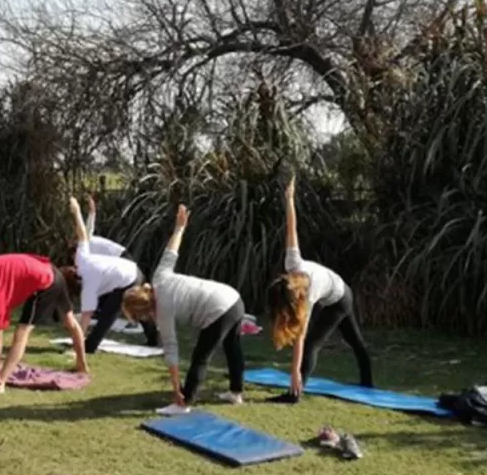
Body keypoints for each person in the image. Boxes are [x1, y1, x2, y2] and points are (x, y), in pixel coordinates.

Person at [0, 172, 88, 397]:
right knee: (70, 321)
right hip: (52, 271)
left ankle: (0, 385)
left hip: (45, 284)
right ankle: (83, 366)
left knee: (22, 333)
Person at [122, 204, 247, 414]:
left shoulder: (163, 311)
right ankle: (236, 393)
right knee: (232, 347)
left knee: (201, 356)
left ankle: (184, 403)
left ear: (142, 310)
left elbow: (171, 352)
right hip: (233, 298)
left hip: (218, 308)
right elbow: (171, 252)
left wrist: (176, 389)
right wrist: (179, 228)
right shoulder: (158, 278)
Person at [267, 176, 373, 403]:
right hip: (339, 290)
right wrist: (289, 199)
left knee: (314, 344)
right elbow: (291, 228)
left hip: (340, 299)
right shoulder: (292, 262)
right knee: (355, 340)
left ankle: (294, 394)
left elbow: (301, 338)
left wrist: (295, 371)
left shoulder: (310, 293)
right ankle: (368, 382)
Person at [64, 197, 158, 353]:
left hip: (129, 275)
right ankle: (154, 336)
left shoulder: (89, 284)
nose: (72, 262)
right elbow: (81, 232)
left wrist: (77, 343)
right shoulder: (82, 258)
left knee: (109, 313)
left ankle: (89, 347)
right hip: (128, 270)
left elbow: (86, 318)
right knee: (120, 306)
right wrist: (77, 211)